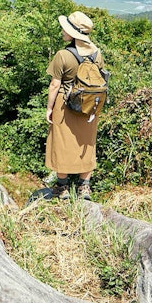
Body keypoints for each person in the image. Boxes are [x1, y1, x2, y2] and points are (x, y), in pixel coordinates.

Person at [45, 11, 106, 200]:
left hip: (65, 104)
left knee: (62, 142)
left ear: (73, 33)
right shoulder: (97, 54)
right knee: (86, 143)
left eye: (66, 28)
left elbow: (55, 84)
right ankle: (84, 187)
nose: (63, 31)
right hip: (89, 105)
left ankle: (62, 188)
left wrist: (49, 108)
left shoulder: (63, 55)